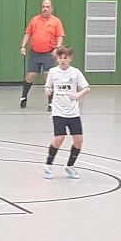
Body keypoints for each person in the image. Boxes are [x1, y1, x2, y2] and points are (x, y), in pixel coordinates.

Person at [42, 46, 90, 179]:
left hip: (73, 112)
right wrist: (47, 90)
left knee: (79, 140)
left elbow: (86, 88)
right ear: (57, 59)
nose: (62, 60)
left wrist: (78, 94)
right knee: (59, 138)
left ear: (70, 59)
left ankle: (70, 166)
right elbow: (48, 85)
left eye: (65, 58)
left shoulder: (75, 72)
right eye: (60, 58)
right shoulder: (53, 72)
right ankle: (48, 165)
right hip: (58, 111)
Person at [20, 0, 65, 110]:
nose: (45, 9)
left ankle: (50, 102)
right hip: (35, 53)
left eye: (47, 7)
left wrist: (57, 48)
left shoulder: (56, 21)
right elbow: (28, 33)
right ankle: (24, 97)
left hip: (48, 53)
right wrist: (23, 46)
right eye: (43, 6)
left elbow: (60, 36)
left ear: (51, 8)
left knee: (48, 76)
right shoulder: (34, 20)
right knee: (31, 76)